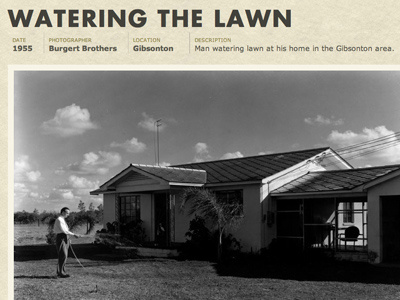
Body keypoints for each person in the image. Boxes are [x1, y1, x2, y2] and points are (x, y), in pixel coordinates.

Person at [53, 207, 80, 278]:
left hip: (65, 237)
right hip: (61, 237)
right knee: (63, 254)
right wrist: (74, 234)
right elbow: (64, 230)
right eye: (67, 213)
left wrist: (68, 238)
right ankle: (60, 272)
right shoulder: (59, 219)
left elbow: (65, 231)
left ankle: (62, 271)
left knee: (65, 255)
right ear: (63, 212)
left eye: (68, 213)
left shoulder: (62, 219)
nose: (68, 214)